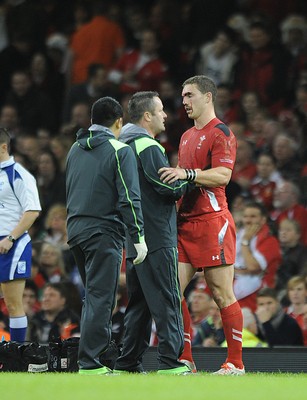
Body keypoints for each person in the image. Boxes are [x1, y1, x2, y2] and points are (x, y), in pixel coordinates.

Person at [159, 75, 244, 375]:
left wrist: (187, 175)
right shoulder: (184, 137)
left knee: (221, 294)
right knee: (172, 292)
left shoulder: (221, 132)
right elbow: (183, 180)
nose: (184, 101)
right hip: (185, 224)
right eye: (183, 96)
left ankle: (235, 362)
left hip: (212, 222)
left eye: (190, 95)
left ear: (208, 97)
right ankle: (186, 359)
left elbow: (222, 176)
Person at [66, 96, 147, 375]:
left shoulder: (74, 150)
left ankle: (88, 357)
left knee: (94, 297)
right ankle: (89, 363)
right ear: (119, 122)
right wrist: (138, 236)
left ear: (91, 121)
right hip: (103, 232)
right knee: (102, 298)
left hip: (75, 230)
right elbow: (129, 198)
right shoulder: (119, 150)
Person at [113, 91, 193, 375]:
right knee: (168, 298)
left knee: (140, 304)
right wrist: (184, 177)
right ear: (147, 116)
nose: (165, 115)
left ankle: (127, 363)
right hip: (157, 236)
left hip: (134, 238)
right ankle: (171, 363)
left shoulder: (121, 145)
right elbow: (167, 187)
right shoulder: (147, 146)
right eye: (160, 111)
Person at [0, 127, 41, 343]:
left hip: (12, 244)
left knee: (13, 303)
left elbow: (32, 210)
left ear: (4, 147)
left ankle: (16, 353)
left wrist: (11, 238)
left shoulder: (19, 174)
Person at [234, 201, 282, 312]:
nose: (248, 220)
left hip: (256, 301)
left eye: (253, 216)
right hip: (234, 295)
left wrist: (245, 242)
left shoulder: (270, 241)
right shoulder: (237, 236)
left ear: (263, 220)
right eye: (245, 216)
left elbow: (252, 267)